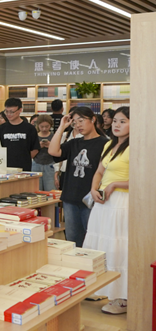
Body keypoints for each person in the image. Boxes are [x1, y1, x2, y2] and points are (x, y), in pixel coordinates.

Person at [83, 107, 130, 315]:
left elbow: (144, 177)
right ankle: (104, 289)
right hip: (103, 202)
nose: (117, 125)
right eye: (115, 121)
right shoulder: (109, 144)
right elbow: (99, 171)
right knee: (101, 245)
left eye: (123, 121)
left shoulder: (137, 146)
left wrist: (115, 184)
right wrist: (94, 188)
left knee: (118, 247)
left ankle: (123, 297)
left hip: (122, 202)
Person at [48, 107, 107, 247]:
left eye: (81, 120)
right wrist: (62, 127)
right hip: (70, 197)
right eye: (74, 122)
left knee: (92, 238)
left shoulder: (105, 143)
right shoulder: (75, 142)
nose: (78, 125)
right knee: (72, 238)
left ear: (93, 119)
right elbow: (53, 151)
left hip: (91, 198)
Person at [0, 98, 40, 171]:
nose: (8, 114)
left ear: (20, 110)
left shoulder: (30, 128)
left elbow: (35, 149)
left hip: (24, 168)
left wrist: (24, 158)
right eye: (6, 112)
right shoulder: (0, 129)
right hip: (5, 168)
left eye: (12, 112)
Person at [32, 115, 56, 191]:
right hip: (36, 164)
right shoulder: (34, 136)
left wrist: (51, 146)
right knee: (36, 190)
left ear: (51, 125)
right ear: (38, 125)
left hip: (51, 164)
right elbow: (30, 153)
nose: (44, 129)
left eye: (47, 126)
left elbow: (59, 152)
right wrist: (38, 147)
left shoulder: (54, 136)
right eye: (42, 126)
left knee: (51, 190)